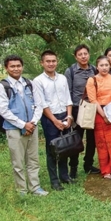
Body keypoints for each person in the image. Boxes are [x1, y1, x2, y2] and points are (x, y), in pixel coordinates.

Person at [0, 55, 48, 196]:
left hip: (31, 127)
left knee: (33, 160)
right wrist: (23, 125)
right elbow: (3, 110)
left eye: (18, 66)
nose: (16, 68)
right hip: (14, 129)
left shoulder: (29, 83)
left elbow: (39, 105)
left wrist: (32, 123)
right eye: (12, 66)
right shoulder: (3, 86)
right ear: (6, 68)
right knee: (18, 162)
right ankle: (22, 190)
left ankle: (35, 187)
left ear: (22, 67)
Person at [34, 50, 74, 191]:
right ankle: (54, 180)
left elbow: (68, 99)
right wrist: (54, 121)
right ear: (42, 63)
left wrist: (69, 116)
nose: (51, 64)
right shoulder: (38, 81)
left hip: (64, 115)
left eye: (53, 61)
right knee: (52, 149)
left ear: (57, 62)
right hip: (49, 118)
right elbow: (42, 104)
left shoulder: (62, 78)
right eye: (48, 61)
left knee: (65, 147)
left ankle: (64, 176)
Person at [64, 44, 100, 177]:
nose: (83, 56)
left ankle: (88, 165)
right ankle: (73, 168)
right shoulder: (71, 71)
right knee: (76, 139)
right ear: (76, 56)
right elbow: (67, 92)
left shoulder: (95, 70)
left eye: (85, 54)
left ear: (89, 55)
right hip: (77, 109)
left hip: (92, 109)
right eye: (80, 54)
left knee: (92, 139)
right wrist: (69, 114)